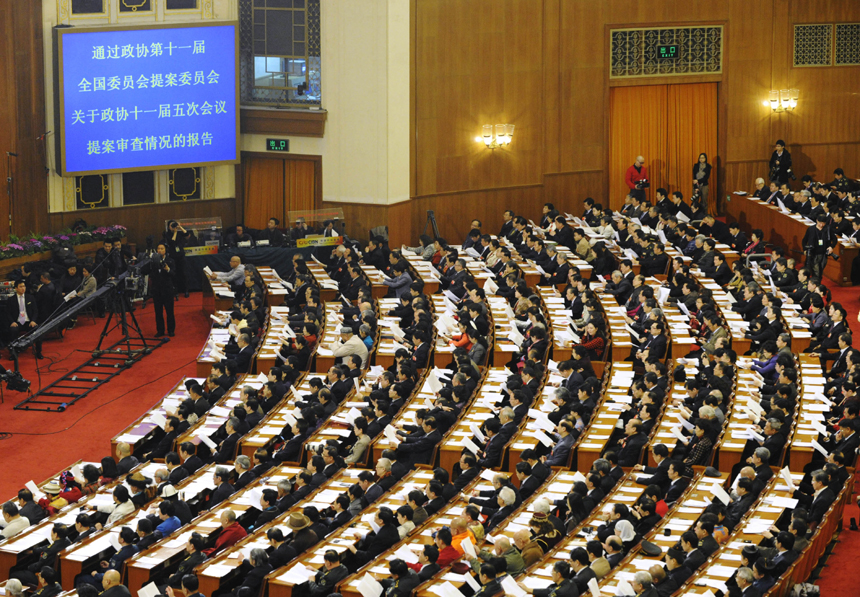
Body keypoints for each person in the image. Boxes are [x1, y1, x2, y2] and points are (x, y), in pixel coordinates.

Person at [146, 242, 176, 337]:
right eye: (158, 248)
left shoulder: (170, 261)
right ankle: (160, 330)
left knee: (169, 311)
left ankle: (171, 330)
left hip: (167, 289)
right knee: (158, 312)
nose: (160, 250)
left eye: (162, 248)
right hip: (156, 290)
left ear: (165, 250)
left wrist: (167, 269)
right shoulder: (153, 261)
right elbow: (148, 273)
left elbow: (174, 274)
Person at [6, 279, 39, 357]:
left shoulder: (30, 297)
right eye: (20, 287)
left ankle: (38, 352)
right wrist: (12, 322)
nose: (23, 288)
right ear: (16, 288)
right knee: (12, 331)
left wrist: (33, 320)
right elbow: (8, 313)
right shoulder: (11, 300)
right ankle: (13, 353)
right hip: (17, 322)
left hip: (29, 322)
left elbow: (36, 311)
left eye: (24, 286)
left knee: (37, 330)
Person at [164, 220, 191, 298]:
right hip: (172, 257)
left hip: (181, 256)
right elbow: (172, 242)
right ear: (168, 227)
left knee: (184, 273)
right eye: (171, 225)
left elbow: (187, 235)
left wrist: (180, 227)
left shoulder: (179, 232)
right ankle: (176, 291)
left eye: (174, 225)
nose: (173, 227)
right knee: (174, 274)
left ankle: (186, 290)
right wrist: (175, 232)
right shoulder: (167, 234)